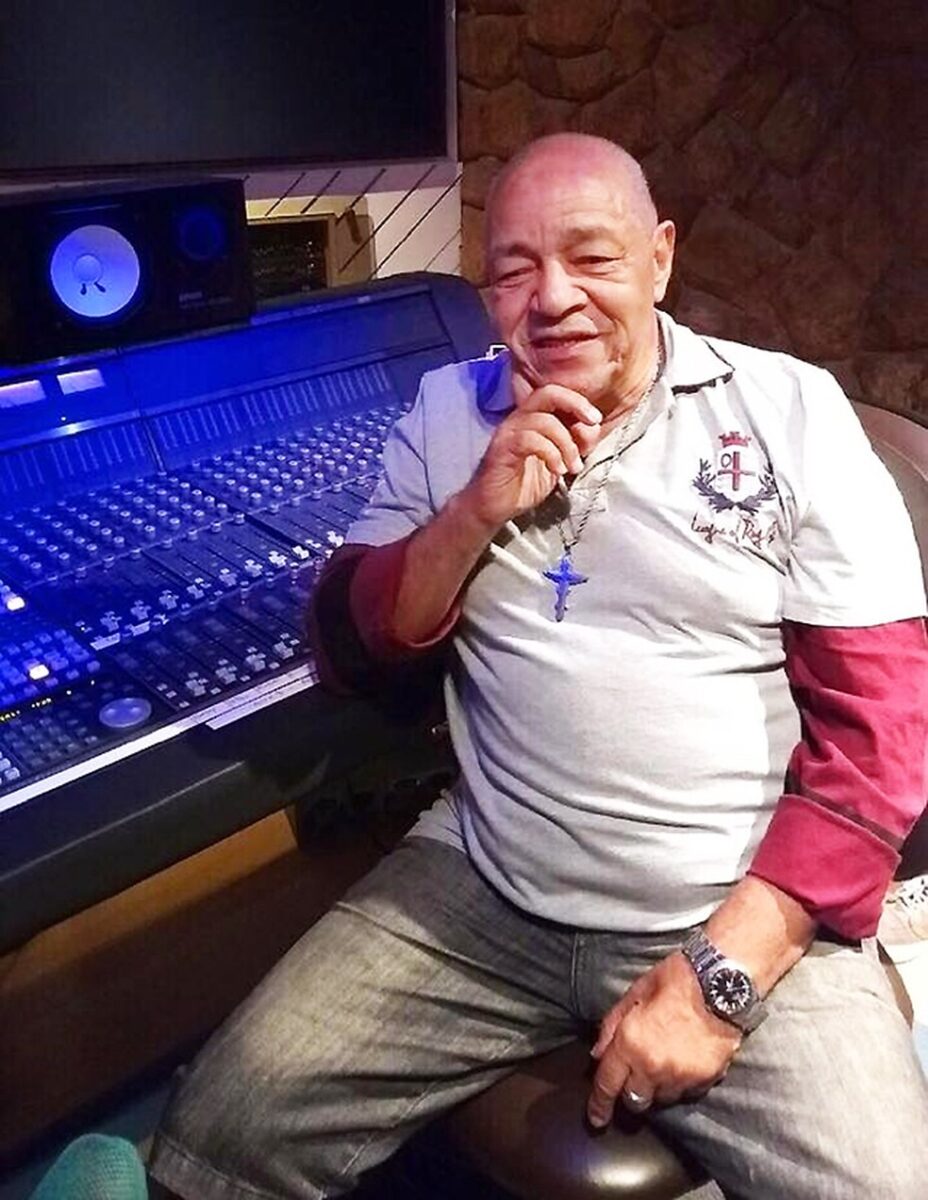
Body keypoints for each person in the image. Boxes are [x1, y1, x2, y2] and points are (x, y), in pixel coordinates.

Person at [148, 134, 928, 1200]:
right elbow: (347, 640)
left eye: (591, 258)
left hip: (731, 898)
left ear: (660, 258)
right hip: (483, 881)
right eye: (514, 269)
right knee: (220, 1126)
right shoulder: (443, 414)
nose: (552, 298)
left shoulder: (792, 413)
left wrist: (722, 975)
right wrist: (474, 510)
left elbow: (882, 732)